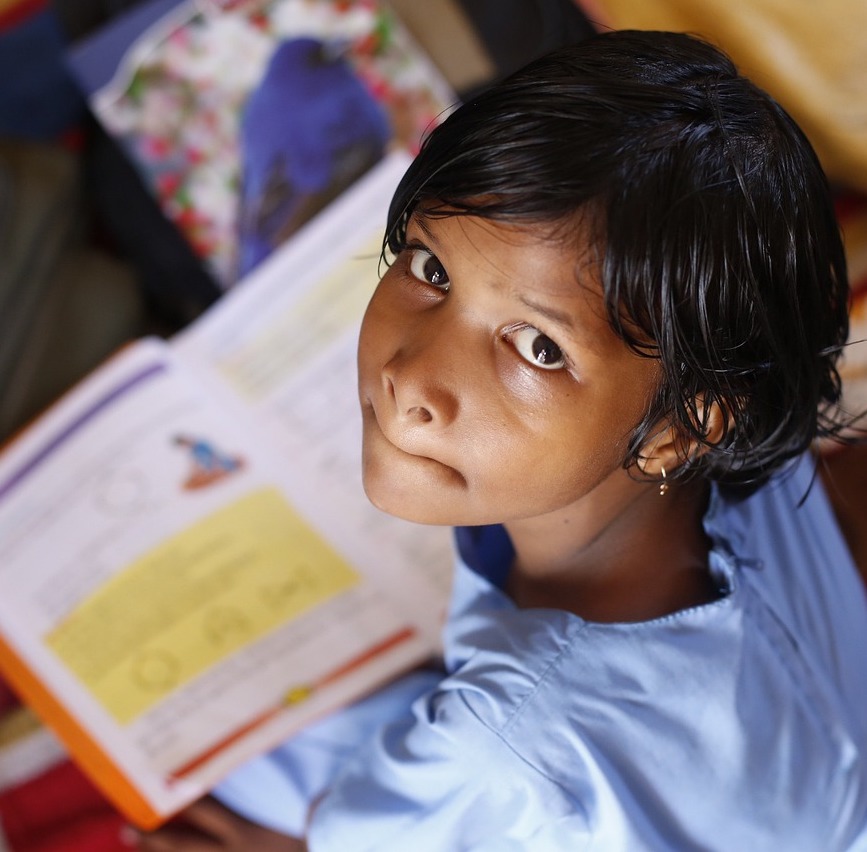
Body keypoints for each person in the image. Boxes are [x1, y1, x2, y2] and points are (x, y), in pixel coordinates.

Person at [134, 30, 867, 851]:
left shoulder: (498, 742)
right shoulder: (754, 460)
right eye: (430, 269)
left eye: (538, 348)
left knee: (257, 766)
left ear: (678, 429)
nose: (411, 382)